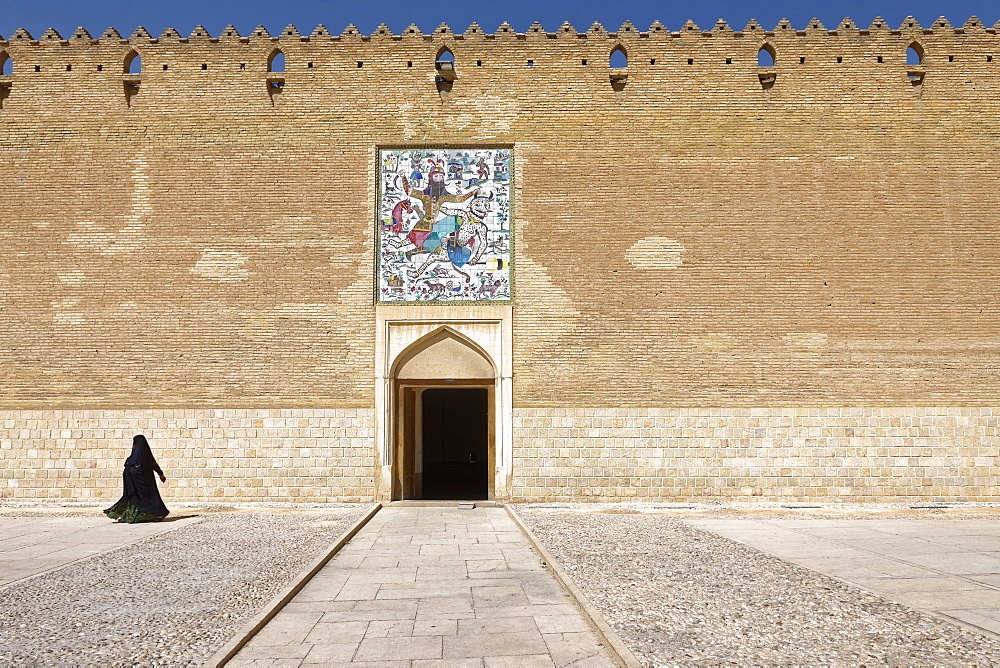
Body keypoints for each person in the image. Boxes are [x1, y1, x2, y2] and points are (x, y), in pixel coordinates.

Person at [104, 435, 169, 523]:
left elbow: (129, 465)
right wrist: (160, 473)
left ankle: (130, 515)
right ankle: (141, 515)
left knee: (134, 495)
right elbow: (152, 463)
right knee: (144, 496)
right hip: (139, 478)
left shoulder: (133, 455)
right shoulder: (145, 454)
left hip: (129, 476)